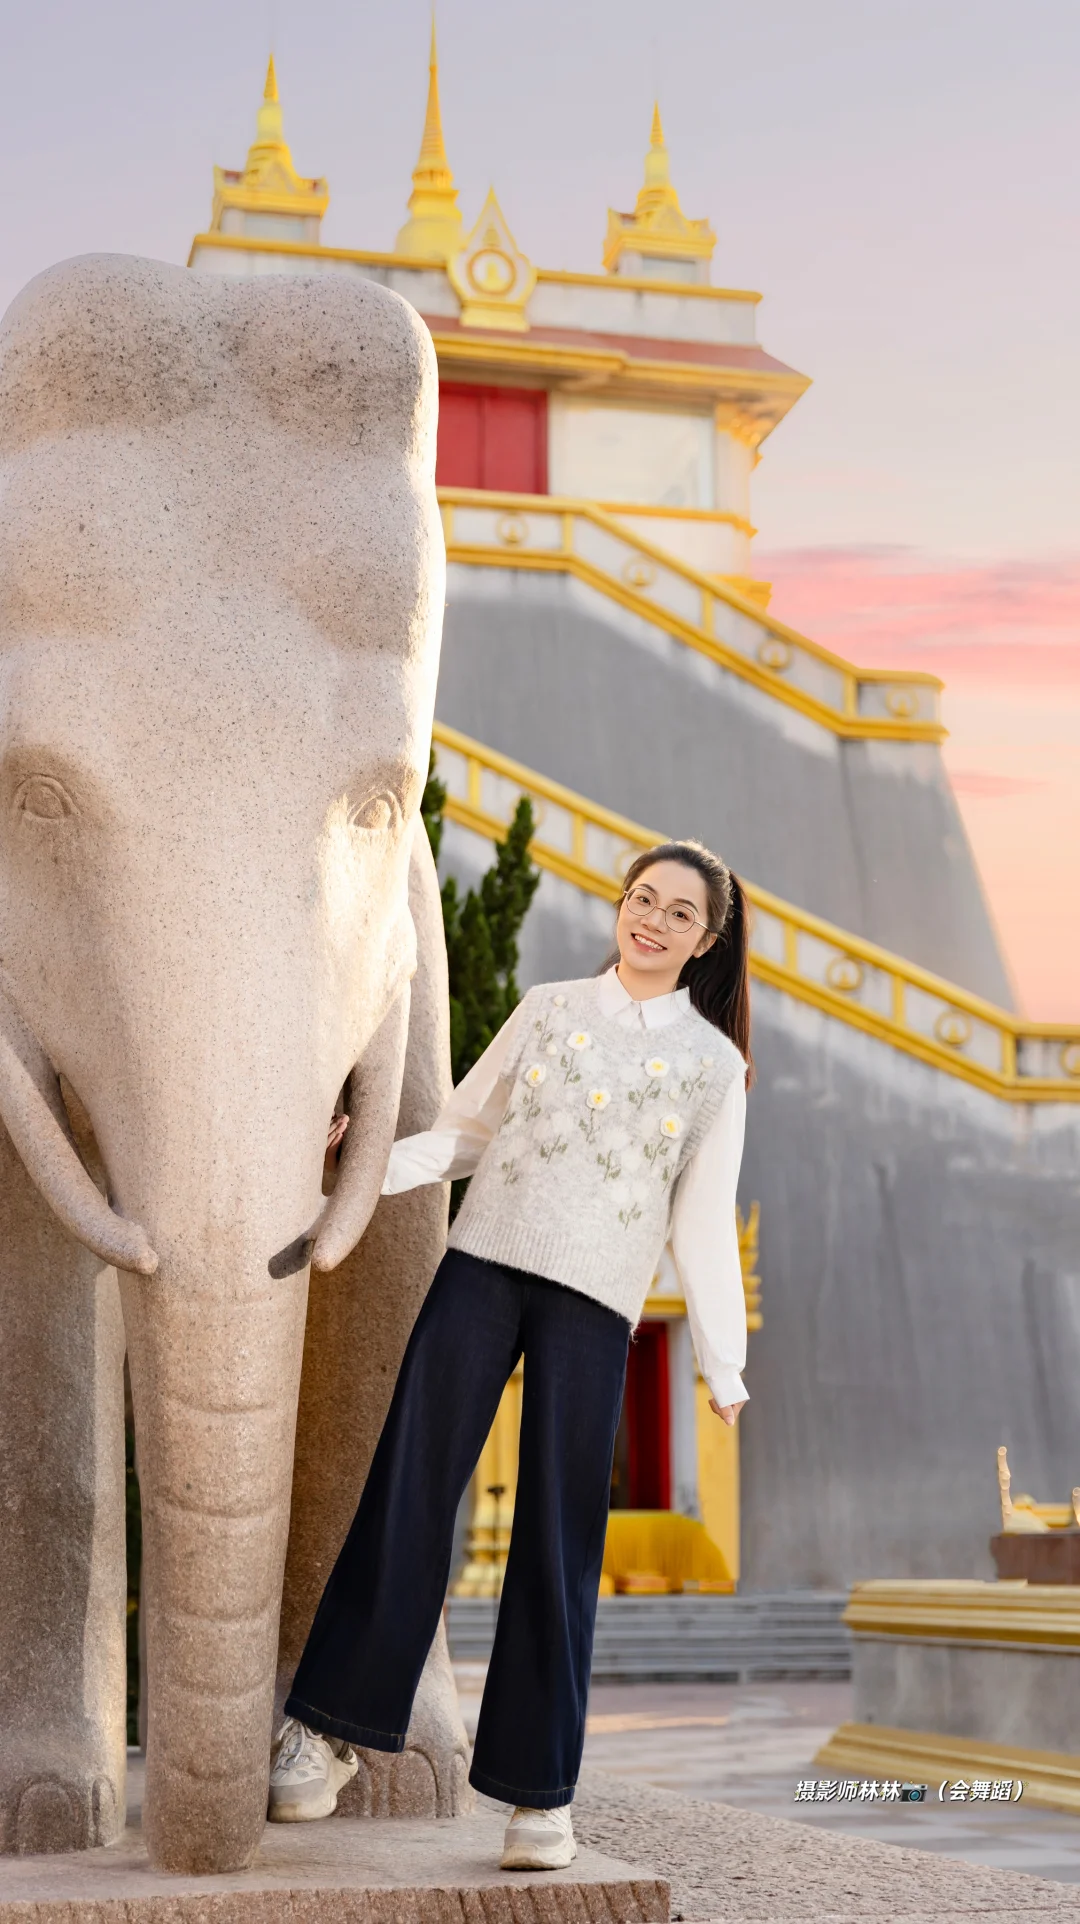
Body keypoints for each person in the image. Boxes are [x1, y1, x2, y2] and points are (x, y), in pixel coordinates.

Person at [269, 840, 753, 1869]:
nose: (651, 920)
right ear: (620, 906)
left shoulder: (714, 1068)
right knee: (409, 1486)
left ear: (706, 939)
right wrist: (350, 1181)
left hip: (593, 1306)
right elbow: (460, 1136)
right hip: (480, 1270)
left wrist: (725, 1365)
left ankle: (541, 1799)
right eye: (641, 899)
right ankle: (328, 1735)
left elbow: (704, 1225)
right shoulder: (546, 1009)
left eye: (677, 913)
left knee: (558, 1536)